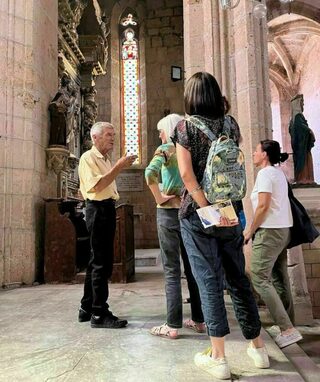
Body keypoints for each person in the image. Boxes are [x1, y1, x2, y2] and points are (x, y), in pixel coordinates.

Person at [172, 72, 269, 380]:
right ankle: (258, 349)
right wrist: (224, 211)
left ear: (191, 97)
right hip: (232, 211)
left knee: (209, 282)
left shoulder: (184, 127)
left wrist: (207, 209)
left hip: (199, 214)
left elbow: (187, 177)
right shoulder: (231, 124)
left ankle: (219, 357)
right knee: (238, 279)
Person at [145, 114, 205, 339]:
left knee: (171, 271)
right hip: (190, 212)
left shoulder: (166, 148)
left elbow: (149, 173)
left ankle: (172, 325)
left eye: (160, 130)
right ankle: (199, 320)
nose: (159, 135)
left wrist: (159, 197)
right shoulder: (189, 147)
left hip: (169, 214)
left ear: (167, 130)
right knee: (192, 269)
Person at [244, 139, 303, 348]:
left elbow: (263, 206)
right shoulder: (279, 173)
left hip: (269, 232)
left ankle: (287, 328)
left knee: (259, 277)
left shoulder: (266, 174)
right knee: (279, 276)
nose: (253, 153)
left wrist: (249, 231)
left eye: (256, 150)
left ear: (265, 155)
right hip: (283, 230)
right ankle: (288, 325)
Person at [78, 122, 137, 328]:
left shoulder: (104, 159)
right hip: (98, 209)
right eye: (108, 135)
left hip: (106, 208)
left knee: (97, 260)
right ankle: (99, 313)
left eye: (113, 134)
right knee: (102, 263)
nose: (112, 138)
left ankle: (86, 308)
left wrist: (116, 165)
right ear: (95, 138)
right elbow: (98, 185)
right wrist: (119, 166)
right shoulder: (88, 158)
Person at [289, 94, 316, 184]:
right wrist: (309, 131)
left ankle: (304, 178)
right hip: (301, 147)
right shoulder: (297, 117)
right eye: (302, 103)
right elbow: (299, 127)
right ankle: (304, 179)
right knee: (303, 162)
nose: (303, 105)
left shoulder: (294, 118)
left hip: (301, 145)